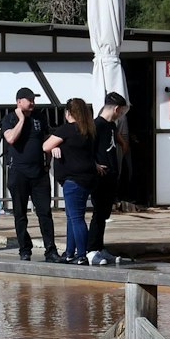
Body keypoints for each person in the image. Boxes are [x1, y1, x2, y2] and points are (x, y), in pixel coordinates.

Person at [1, 86, 57, 262]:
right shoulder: (9, 119)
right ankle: (24, 249)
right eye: (29, 99)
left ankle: (51, 250)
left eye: (34, 99)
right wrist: (20, 119)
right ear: (19, 102)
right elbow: (11, 138)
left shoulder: (40, 117)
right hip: (18, 173)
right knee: (20, 214)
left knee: (45, 213)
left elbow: (47, 140)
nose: (33, 102)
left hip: (39, 173)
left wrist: (48, 164)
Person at [42, 98, 100, 263]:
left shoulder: (66, 130)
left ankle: (82, 255)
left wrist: (53, 147)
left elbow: (45, 146)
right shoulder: (88, 130)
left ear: (68, 113)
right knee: (72, 216)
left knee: (76, 218)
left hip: (73, 181)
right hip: (87, 178)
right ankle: (69, 252)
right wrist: (58, 147)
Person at [88, 92, 130, 260]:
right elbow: (87, 148)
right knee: (98, 213)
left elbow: (118, 141)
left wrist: (123, 144)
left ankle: (99, 246)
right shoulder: (96, 125)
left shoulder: (111, 126)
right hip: (101, 176)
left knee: (104, 214)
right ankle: (91, 249)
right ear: (117, 108)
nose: (120, 115)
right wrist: (95, 165)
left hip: (111, 174)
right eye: (120, 112)